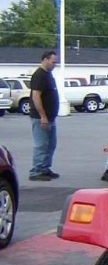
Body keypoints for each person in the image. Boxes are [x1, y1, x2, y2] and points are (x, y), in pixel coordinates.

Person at [29, 50, 59, 181]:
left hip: (51, 117)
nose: (54, 65)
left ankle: (45, 168)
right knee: (41, 144)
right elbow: (36, 96)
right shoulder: (39, 75)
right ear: (45, 60)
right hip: (40, 117)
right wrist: (43, 116)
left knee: (51, 144)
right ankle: (36, 171)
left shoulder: (48, 75)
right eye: (53, 62)